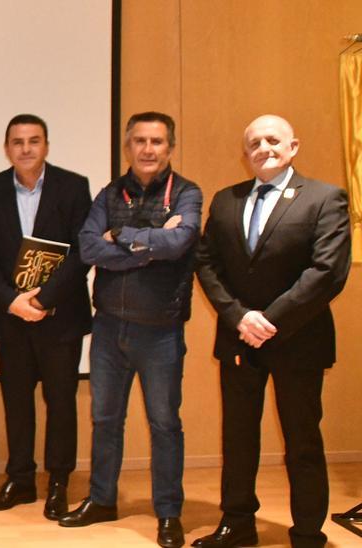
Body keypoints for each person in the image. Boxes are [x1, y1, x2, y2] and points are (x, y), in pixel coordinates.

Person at [192, 115, 350, 548]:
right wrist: (239, 317)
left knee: (302, 441)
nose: (264, 147)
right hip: (239, 338)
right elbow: (207, 265)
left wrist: (271, 320)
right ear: (245, 154)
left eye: (273, 140)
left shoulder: (324, 198)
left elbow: (327, 272)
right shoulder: (225, 200)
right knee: (238, 438)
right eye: (255, 142)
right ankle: (237, 523)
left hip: (300, 341)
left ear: (293, 146)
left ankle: (307, 533)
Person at [60, 112, 202, 548]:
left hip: (160, 332)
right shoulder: (109, 192)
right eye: (139, 140)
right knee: (105, 419)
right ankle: (102, 499)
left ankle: (168, 513)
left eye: (156, 141)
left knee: (164, 424)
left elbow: (181, 242)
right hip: (108, 329)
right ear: (128, 146)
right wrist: (147, 247)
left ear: (170, 147)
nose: (147, 149)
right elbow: (88, 246)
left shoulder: (187, 193)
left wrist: (120, 235)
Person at [0, 114, 92, 520]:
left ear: (46, 145)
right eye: (17, 141)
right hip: (11, 316)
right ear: (7, 148)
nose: (25, 148)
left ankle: (59, 481)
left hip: (61, 315)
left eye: (34, 140)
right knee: (17, 401)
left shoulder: (73, 187)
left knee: (60, 402)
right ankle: (20, 480)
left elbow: (83, 250)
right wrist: (12, 300)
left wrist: (44, 299)